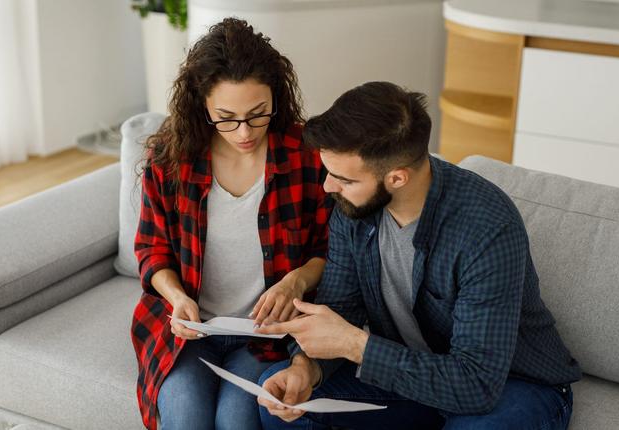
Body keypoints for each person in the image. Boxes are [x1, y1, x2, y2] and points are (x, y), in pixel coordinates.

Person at [255, 81, 582, 429]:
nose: (327, 187)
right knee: (281, 401)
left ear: (396, 178)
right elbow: (341, 307)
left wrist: (356, 345)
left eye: (344, 179)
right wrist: (307, 369)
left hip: (510, 386)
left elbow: (478, 385)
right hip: (409, 378)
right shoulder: (353, 210)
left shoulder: (487, 228)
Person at [130, 18, 332, 430]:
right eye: (226, 117)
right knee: (185, 417)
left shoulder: (305, 155)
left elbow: (332, 252)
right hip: (189, 332)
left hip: (267, 336)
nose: (244, 132)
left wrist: (295, 281)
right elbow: (152, 251)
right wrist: (176, 297)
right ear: (201, 104)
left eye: (258, 115)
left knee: (235, 422)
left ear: (276, 97)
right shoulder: (170, 158)